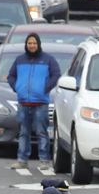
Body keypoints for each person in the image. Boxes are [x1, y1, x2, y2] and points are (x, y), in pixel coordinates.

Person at [7, 33, 60, 169]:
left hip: (40, 103)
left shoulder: (48, 59)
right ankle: (22, 160)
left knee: (42, 132)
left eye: (34, 43)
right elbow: (11, 76)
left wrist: (46, 87)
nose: (31, 46)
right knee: (24, 132)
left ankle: (44, 160)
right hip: (23, 102)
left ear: (38, 44)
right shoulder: (19, 60)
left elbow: (56, 74)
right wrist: (17, 88)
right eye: (29, 43)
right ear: (26, 45)